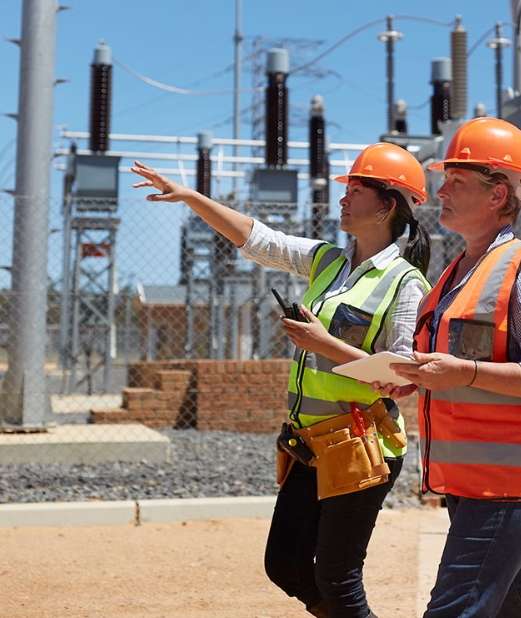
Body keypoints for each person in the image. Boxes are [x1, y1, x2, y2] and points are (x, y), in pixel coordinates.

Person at [131, 142, 432, 618]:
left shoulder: (405, 282)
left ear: (387, 205)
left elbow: (402, 376)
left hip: (361, 444)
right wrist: (190, 196)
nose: (343, 199)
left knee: (337, 578)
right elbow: (259, 239)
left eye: (355, 191)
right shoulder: (327, 260)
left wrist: (323, 343)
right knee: (286, 565)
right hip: (310, 443)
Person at [382, 117, 521, 618]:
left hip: (507, 482)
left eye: (457, 181)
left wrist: (461, 374)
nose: (440, 190)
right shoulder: (456, 272)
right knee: (520, 606)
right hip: (475, 480)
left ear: (498, 196)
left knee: (454, 609)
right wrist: (418, 378)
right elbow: (460, 362)